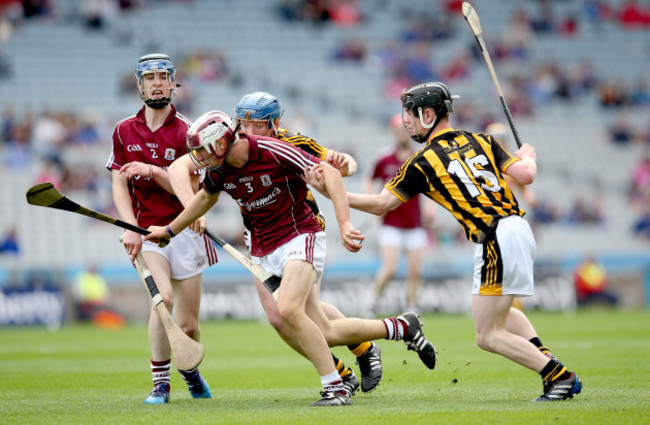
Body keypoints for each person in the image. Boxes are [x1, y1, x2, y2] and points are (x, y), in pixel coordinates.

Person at [145, 110, 437, 407]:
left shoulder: (274, 149)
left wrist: (345, 224)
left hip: (300, 236)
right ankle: (402, 327)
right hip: (262, 249)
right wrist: (169, 230)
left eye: (202, 151)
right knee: (323, 330)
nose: (198, 159)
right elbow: (205, 198)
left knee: (289, 309)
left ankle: (334, 386)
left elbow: (332, 174)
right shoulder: (219, 169)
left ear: (221, 144)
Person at [318, 82, 582, 402]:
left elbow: (379, 204)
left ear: (429, 114)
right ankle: (549, 362)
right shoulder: (481, 139)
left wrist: (335, 194)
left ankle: (558, 376)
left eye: (411, 115)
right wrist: (529, 155)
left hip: (494, 237)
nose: (406, 122)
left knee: (487, 335)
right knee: (504, 312)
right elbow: (526, 175)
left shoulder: (422, 162)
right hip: (518, 229)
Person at [169, 91, 383, 395]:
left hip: (299, 227)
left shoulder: (293, 142)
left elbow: (344, 167)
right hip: (259, 236)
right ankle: (338, 370)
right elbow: (180, 168)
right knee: (279, 317)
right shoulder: (226, 147)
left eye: (256, 124)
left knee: (302, 312)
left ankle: (361, 351)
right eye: (242, 122)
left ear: (274, 123)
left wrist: (341, 163)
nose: (247, 130)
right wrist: (189, 209)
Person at [106, 53, 218, 404]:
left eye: (162, 76)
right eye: (150, 77)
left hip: (184, 230)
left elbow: (192, 193)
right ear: (140, 84)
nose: (156, 82)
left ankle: (191, 372)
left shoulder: (188, 132)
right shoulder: (124, 130)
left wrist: (155, 171)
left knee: (188, 326)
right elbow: (119, 183)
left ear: (173, 82)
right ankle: (160, 385)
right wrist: (130, 228)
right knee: (162, 300)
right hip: (149, 232)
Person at [364, 113, 433, 314]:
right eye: (398, 130)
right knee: (390, 269)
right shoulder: (384, 157)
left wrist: (430, 208)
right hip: (391, 223)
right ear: (394, 133)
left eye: (405, 130)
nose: (402, 134)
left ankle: (412, 308)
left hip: (414, 223)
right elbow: (369, 179)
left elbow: (431, 186)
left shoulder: (419, 156)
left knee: (415, 271)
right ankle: (373, 302)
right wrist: (374, 202)